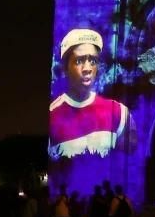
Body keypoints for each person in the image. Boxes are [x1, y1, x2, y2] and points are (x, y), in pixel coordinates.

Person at [49, 29, 132, 160]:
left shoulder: (118, 113)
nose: (87, 69)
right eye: (79, 61)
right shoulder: (52, 116)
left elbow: (131, 164)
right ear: (65, 67)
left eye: (92, 61)